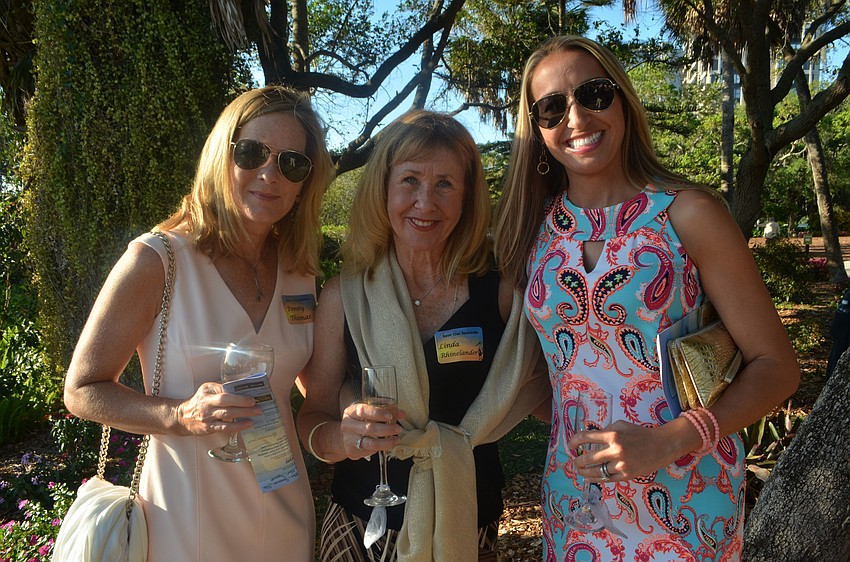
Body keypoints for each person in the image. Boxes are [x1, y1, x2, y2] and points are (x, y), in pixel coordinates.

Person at [493, 35, 800, 560]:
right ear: (537, 129)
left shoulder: (688, 214)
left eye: (593, 93)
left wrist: (668, 438)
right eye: (551, 107)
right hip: (575, 503)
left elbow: (778, 366)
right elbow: (532, 372)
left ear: (623, 103)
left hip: (688, 502)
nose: (576, 117)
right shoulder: (529, 233)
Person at [63, 85, 334, 561]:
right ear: (220, 155)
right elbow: (82, 389)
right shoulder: (158, 260)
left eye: (291, 163)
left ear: (304, 184)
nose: (269, 174)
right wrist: (178, 416)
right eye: (251, 153)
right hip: (187, 521)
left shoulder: (300, 270)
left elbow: (310, 387)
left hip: (285, 511)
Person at [296, 110, 550, 562]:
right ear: (383, 189)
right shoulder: (345, 297)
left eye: (445, 184)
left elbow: (551, 394)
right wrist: (340, 438)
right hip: (361, 522)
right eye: (410, 180)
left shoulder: (506, 294)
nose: (425, 203)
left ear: (468, 196)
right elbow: (313, 414)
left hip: (467, 520)